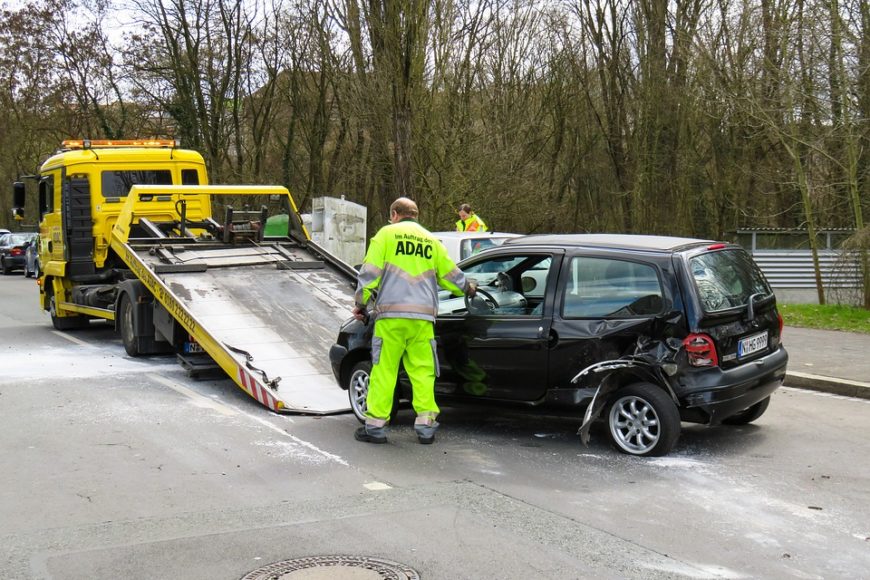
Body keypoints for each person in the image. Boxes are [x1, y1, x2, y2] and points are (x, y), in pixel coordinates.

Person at [353, 197, 476, 445]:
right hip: (422, 320)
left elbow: (370, 274)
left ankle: (375, 426)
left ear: (395, 214)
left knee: (385, 370)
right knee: (423, 372)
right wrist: (469, 287)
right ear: (416, 215)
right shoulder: (432, 241)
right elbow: (451, 276)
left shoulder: (386, 235)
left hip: (391, 318)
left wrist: (360, 303)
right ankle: (426, 426)